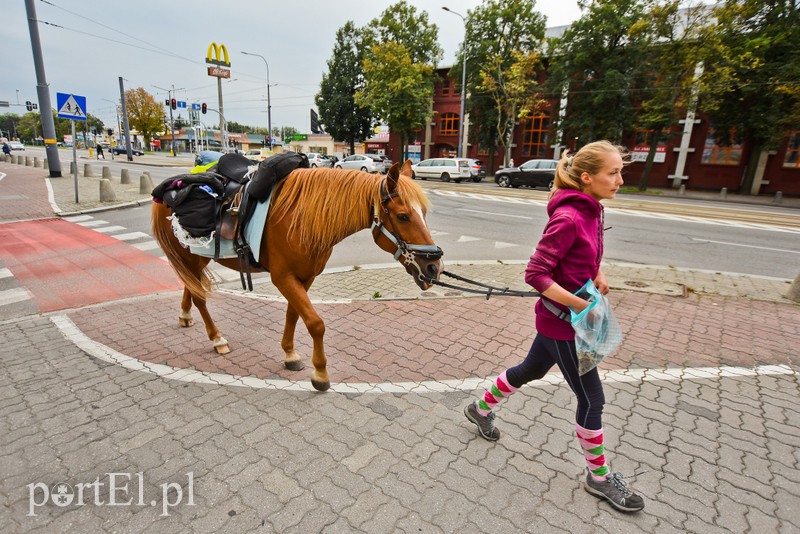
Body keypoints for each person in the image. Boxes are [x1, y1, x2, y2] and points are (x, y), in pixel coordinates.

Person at [463, 140, 645, 513]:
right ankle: (598, 478)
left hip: (563, 321)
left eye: (619, 172)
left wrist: (598, 274)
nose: (620, 180)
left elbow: (585, 256)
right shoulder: (569, 218)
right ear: (586, 177)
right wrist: (582, 304)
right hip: (566, 325)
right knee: (592, 399)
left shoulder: (591, 211)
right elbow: (535, 273)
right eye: (613, 173)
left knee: (529, 370)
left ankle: (480, 409)